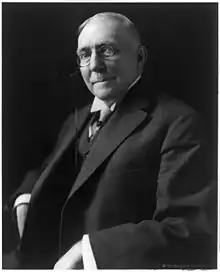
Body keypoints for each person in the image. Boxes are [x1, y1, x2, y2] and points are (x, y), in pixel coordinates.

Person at [3, 12, 214, 269]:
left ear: (140, 58)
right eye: (85, 55)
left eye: (107, 50)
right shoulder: (78, 118)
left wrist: (90, 251)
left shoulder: (178, 122)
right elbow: (46, 169)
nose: (94, 65)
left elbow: (189, 229)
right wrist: (24, 198)